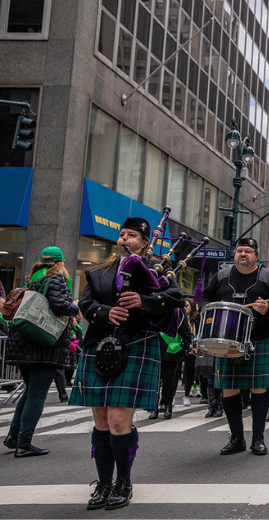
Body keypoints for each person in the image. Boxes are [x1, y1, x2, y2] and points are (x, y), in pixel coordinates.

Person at [71, 218, 184, 510]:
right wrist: (106, 313)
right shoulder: (99, 271)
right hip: (101, 346)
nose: (124, 239)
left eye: (132, 236)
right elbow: (86, 305)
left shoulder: (159, 269)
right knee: (101, 422)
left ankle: (123, 481)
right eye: (121, 234)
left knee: (119, 421)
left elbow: (174, 298)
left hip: (136, 346)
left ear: (145, 242)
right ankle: (104, 483)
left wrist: (144, 300)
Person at [201, 238, 269, 456]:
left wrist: (268, 308)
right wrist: (207, 311)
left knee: (259, 387)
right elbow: (205, 299)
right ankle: (237, 438)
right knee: (229, 389)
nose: (243, 254)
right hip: (226, 341)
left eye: (248, 251)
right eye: (240, 250)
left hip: (259, 338)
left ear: (257, 256)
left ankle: (258, 438)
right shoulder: (221, 276)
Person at [3, 247, 79, 457]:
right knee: (37, 394)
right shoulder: (55, 280)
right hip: (42, 345)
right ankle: (24, 443)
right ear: (60, 262)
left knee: (30, 391)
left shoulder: (32, 280)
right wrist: (75, 307)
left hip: (22, 342)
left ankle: (13, 436)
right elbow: (59, 305)